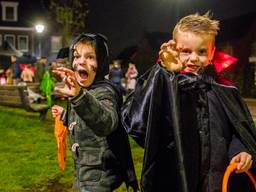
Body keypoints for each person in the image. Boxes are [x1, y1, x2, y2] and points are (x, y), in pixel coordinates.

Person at [121, 13, 256, 192]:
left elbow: (238, 131)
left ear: (212, 52)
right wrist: (163, 72)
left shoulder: (225, 89)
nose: (193, 58)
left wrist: (240, 150)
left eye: (201, 51)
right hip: (173, 182)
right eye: (186, 51)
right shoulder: (165, 87)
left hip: (216, 183)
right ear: (175, 50)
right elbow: (137, 124)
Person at [51, 33, 138, 192]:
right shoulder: (83, 89)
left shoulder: (104, 91)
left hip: (99, 179)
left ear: (102, 63)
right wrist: (64, 115)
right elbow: (84, 117)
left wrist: (78, 96)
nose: (81, 61)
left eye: (90, 57)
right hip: (83, 173)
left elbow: (106, 121)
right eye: (76, 56)